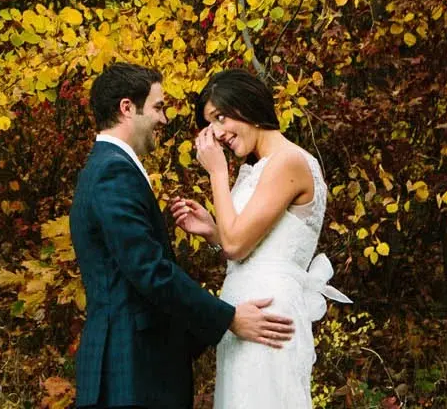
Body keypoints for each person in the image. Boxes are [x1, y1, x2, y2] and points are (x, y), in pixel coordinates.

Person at [69, 62, 295, 409]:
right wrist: (229, 319)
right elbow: (150, 272)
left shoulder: (109, 167)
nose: (164, 119)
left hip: (137, 368)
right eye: (158, 107)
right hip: (129, 372)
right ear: (127, 108)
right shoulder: (112, 172)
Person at [170, 68, 351, 409]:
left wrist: (217, 173)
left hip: (270, 315)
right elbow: (242, 249)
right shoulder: (257, 168)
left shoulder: (288, 162)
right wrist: (212, 230)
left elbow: (238, 244)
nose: (218, 133)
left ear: (247, 104)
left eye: (220, 117)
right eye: (210, 124)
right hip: (245, 316)